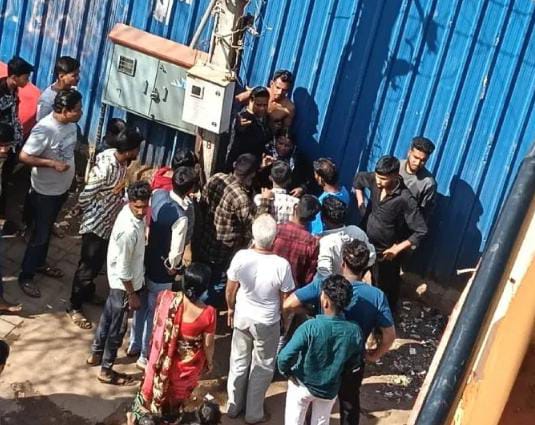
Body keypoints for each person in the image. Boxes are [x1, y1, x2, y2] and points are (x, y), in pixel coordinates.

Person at [284, 240, 396, 425]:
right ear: (366, 267)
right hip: (352, 359)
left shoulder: (326, 286)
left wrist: (311, 311)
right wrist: (373, 355)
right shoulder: (377, 296)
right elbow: (389, 336)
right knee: (349, 403)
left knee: (311, 399)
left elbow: (289, 304)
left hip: (321, 357)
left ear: (343, 262)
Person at [67, 127, 143, 329]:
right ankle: (74, 306)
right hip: (96, 223)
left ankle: (88, 292)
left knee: (96, 263)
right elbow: (88, 192)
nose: (138, 152)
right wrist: (79, 208)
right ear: (130, 150)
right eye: (137, 148)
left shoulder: (121, 162)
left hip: (108, 222)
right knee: (87, 266)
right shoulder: (107, 165)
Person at [226, 214, 295, 423]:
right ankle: (254, 413)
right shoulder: (281, 265)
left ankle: (233, 406)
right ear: (274, 239)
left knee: (238, 361)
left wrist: (230, 308)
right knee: (263, 366)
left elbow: (231, 289)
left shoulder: (241, 257)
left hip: (242, 316)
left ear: (253, 235)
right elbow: (285, 299)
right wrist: (285, 320)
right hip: (267, 321)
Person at [128, 166, 199, 370]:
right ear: (190, 189)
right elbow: (175, 252)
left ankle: (134, 343)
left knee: (141, 304)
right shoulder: (181, 216)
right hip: (162, 269)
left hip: (146, 258)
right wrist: (174, 267)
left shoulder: (158, 194)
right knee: (154, 312)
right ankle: (144, 355)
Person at [129, 263, 216, 421]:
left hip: (159, 362)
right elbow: (208, 344)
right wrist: (209, 362)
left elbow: (159, 328)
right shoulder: (208, 314)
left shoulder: (166, 298)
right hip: (185, 369)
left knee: (149, 392)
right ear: (204, 288)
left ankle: (136, 418)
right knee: (175, 402)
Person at [18, 89, 83, 298]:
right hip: (45, 193)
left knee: (46, 232)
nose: (81, 113)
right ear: (64, 110)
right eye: (77, 110)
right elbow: (25, 156)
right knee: (40, 235)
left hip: (61, 189)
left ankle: (39, 263)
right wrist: (52, 164)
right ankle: (26, 276)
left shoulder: (71, 126)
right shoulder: (44, 129)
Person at [87, 181, 151, 386]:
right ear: (130, 202)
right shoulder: (128, 231)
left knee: (107, 318)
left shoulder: (128, 214)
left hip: (118, 281)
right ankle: (106, 370)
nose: (141, 211)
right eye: (137, 207)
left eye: (144, 206)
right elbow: (124, 270)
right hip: (124, 286)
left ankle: (96, 353)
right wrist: (132, 295)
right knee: (117, 329)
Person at [279, 275, 363, 425]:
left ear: (325, 302)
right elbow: (353, 363)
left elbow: (284, 356)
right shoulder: (354, 331)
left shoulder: (310, 327)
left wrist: (288, 373)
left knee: (293, 420)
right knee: (321, 421)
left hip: (302, 384)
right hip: (329, 389)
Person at [353, 155, 427, 312]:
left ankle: (385, 319)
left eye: (383, 179)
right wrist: (361, 204)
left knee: (384, 290)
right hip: (364, 244)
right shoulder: (374, 180)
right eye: (377, 177)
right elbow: (358, 180)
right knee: (352, 278)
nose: (378, 182)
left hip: (385, 254)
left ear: (395, 176)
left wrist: (397, 249)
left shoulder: (405, 198)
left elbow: (421, 230)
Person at [197, 154, 258, 307]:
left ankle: (193, 303)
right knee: (217, 283)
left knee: (200, 277)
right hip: (223, 251)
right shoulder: (241, 198)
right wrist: (264, 203)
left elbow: (202, 204)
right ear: (250, 176)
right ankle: (202, 308)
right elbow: (253, 225)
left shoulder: (216, 178)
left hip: (204, 239)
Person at [0, 57, 34, 221]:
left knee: (6, 179)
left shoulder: (13, 90)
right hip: (2, 147)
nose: (27, 81)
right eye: (25, 77)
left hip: (12, 145)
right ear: (14, 77)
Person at [317, 196, 376, 278]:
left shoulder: (324, 241)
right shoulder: (356, 231)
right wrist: (357, 271)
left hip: (335, 284)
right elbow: (372, 256)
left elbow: (323, 273)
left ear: (323, 218)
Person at [271, 194, 320, 287]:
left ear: (295, 207)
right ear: (313, 219)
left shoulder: (276, 230)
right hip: (291, 289)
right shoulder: (313, 243)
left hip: (269, 283)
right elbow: (308, 276)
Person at [225, 86, 271, 170]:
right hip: (240, 167)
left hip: (254, 167)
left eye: (265, 105)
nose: (262, 108)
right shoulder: (243, 118)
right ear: (250, 101)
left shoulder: (264, 118)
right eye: (258, 105)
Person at [260, 130, 311, 197]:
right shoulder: (266, 153)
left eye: (287, 145)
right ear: (275, 141)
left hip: (290, 195)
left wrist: (302, 188)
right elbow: (254, 176)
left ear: (292, 146)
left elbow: (308, 177)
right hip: (265, 193)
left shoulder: (298, 159)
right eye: (280, 143)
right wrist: (262, 167)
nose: (283, 148)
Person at [399, 137, 437, 223]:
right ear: (409, 152)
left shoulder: (428, 183)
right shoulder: (395, 167)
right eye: (415, 157)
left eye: (423, 160)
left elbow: (422, 216)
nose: (417, 163)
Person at [309, 158, 350, 235]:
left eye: (315, 174)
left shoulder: (321, 203)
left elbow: (316, 231)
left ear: (320, 179)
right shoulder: (345, 192)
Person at [36, 56, 80, 121]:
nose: (78, 78)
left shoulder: (73, 90)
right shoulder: (47, 100)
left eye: (78, 74)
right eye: (74, 75)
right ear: (61, 76)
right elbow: (41, 123)